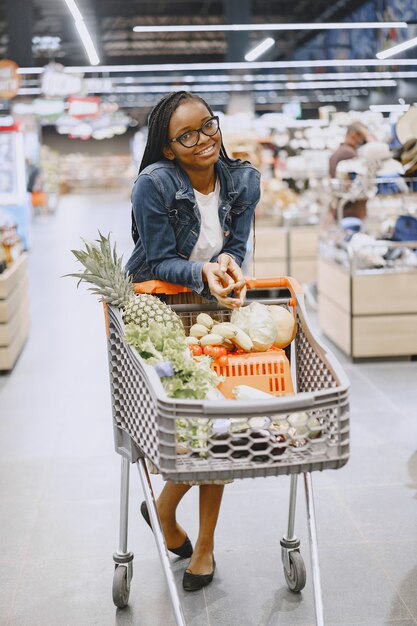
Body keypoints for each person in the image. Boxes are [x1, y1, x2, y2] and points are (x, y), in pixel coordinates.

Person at [125, 91, 261, 591]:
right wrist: (203, 270)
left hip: (212, 308)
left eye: (208, 126)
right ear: (168, 147)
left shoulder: (242, 180)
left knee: (219, 424)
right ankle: (165, 510)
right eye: (187, 135)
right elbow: (158, 260)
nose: (204, 140)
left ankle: (201, 544)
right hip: (157, 311)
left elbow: (238, 246)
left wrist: (228, 266)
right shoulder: (153, 186)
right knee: (187, 426)